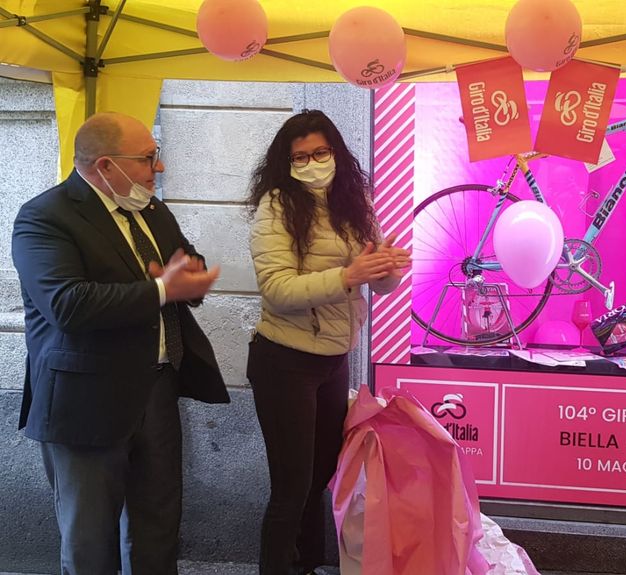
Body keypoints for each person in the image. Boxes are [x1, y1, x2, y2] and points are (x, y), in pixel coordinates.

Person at [11, 111, 228, 574]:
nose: (159, 167)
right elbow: (67, 305)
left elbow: (182, 262)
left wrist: (189, 277)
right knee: (90, 543)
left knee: (158, 530)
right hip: (85, 403)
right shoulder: (44, 217)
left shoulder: (150, 208)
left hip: (157, 390)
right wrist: (163, 289)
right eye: (148, 158)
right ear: (106, 166)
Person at [246, 109, 410, 575]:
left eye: (321, 152)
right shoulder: (276, 206)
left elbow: (380, 283)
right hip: (284, 362)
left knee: (320, 477)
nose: (313, 163)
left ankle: (307, 565)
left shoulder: (354, 200)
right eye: (300, 157)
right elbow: (277, 290)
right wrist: (348, 275)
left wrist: (386, 268)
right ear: (286, 163)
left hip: (334, 359)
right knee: (291, 486)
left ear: (336, 152)